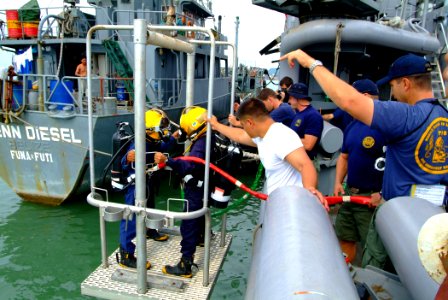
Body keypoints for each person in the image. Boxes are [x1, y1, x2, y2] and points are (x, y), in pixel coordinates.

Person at [280, 50, 448, 269]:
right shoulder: (443, 115)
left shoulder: (407, 116)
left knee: (378, 271)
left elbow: (349, 100)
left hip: (400, 219)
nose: (393, 92)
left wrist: (309, 62)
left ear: (405, 83)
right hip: (432, 220)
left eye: (394, 85)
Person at [208, 98, 328, 208]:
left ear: (250, 122)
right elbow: (240, 135)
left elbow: (305, 165)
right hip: (278, 202)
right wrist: (217, 125)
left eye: (243, 125)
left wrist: (310, 191)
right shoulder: (263, 136)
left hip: (291, 206)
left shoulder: (281, 136)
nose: (243, 129)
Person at [154, 106, 211, 278]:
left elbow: (190, 165)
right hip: (202, 187)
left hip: (196, 189)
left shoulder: (200, 144)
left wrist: (167, 160)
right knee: (198, 217)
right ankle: (201, 237)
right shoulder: (207, 137)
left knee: (188, 223)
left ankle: (185, 263)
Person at [333, 79, 385, 264]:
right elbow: (344, 157)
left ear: (364, 97)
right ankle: (347, 276)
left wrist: (382, 193)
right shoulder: (353, 125)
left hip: (371, 200)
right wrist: (338, 182)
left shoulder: (385, 125)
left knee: (373, 248)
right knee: (345, 236)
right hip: (350, 195)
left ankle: (372, 288)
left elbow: (397, 162)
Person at [117, 108, 176, 269]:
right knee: (130, 218)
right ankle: (126, 254)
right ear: (150, 129)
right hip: (135, 186)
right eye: (161, 127)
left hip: (148, 181)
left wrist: (174, 137)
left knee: (150, 207)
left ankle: (150, 230)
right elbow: (123, 160)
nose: (164, 130)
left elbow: (164, 145)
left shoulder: (153, 141)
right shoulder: (138, 144)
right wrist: (128, 158)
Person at [288, 83, 323, 160]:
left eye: (290, 98)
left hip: (306, 163)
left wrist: (286, 138)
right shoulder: (298, 113)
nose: (288, 101)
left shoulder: (313, 116)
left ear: (297, 98)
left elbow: (308, 145)